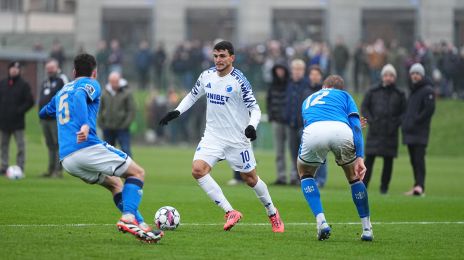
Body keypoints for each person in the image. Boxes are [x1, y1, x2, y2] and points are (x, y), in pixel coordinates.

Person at [159, 41, 284, 233]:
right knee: (198, 170)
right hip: (213, 136)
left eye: (223, 56)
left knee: (250, 179)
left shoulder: (239, 80)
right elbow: (193, 95)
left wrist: (251, 126)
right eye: (216, 56)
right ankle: (230, 212)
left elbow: (255, 109)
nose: (218, 60)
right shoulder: (206, 75)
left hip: (237, 140)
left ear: (232, 58)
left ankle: (272, 212)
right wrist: (177, 111)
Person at [39, 53, 163, 243]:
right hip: (86, 148)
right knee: (137, 173)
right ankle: (128, 218)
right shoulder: (90, 84)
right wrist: (83, 124)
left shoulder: (62, 91)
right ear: (94, 73)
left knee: (115, 184)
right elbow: (80, 95)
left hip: (67, 159)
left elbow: (43, 112)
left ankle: (141, 225)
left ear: (73, 72)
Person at [298, 75, 373, 241]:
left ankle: (321, 222)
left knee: (305, 172)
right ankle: (367, 229)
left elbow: (310, 125)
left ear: (324, 87)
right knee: (354, 177)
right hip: (341, 130)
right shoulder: (345, 96)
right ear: (341, 88)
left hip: (314, 131)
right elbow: (355, 126)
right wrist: (360, 157)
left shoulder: (308, 99)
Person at [361, 64, 406, 194]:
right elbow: (365, 107)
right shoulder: (372, 91)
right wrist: (371, 121)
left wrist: (396, 123)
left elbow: (404, 112)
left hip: (391, 133)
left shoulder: (400, 94)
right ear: (382, 76)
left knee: (388, 162)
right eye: (386, 75)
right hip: (374, 131)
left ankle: (384, 188)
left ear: (395, 77)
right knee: (368, 161)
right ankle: (363, 187)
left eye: (391, 75)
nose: (388, 78)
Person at [402, 63, 435, 196]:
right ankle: (417, 186)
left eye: (417, 74)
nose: (415, 76)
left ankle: (420, 186)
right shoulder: (412, 91)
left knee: (419, 159)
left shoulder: (428, 90)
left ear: (422, 75)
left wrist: (415, 120)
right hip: (410, 132)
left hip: (420, 132)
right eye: (413, 74)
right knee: (413, 160)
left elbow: (429, 110)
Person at [0, 61, 34, 174]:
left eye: (16, 69)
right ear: (9, 70)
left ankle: (20, 166)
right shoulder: (3, 83)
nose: (14, 70)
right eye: (12, 68)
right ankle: (4, 166)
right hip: (4, 121)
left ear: (19, 71)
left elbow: (30, 101)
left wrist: (19, 111)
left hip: (17, 122)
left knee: (20, 146)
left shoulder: (24, 85)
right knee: (3, 146)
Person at [38, 59, 66, 178]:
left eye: (52, 68)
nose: (49, 70)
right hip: (45, 119)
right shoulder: (45, 82)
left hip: (56, 118)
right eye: (48, 68)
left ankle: (58, 170)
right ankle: (50, 169)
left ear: (57, 67)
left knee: (57, 144)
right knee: (50, 144)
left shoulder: (61, 80)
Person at [98, 71, 136, 157]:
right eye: (112, 82)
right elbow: (100, 109)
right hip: (107, 127)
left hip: (122, 128)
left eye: (116, 81)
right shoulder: (104, 93)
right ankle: (109, 170)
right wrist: (102, 123)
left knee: (126, 150)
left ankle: (129, 170)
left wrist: (125, 124)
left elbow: (131, 110)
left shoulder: (126, 93)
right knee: (108, 152)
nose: (114, 84)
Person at [285, 59, 308, 185]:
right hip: (291, 123)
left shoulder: (307, 85)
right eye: (295, 69)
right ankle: (295, 175)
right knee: (293, 152)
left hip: (303, 125)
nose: (297, 72)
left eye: (300, 69)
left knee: (303, 152)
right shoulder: (289, 84)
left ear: (303, 71)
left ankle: (304, 177)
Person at [266, 64, 289, 185]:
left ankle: (296, 176)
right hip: (277, 121)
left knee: (294, 151)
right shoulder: (272, 85)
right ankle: (281, 176)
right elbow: (268, 101)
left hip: (289, 122)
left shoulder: (290, 85)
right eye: (278, 70)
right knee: (279, 152)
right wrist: (271, 116)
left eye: (282, 69)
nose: (280, 72)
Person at [307, 66, 329, 188]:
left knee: (321, 154)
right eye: (312, 74)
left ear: (321, 76)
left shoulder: (324, 92)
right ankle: (311, 178)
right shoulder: (305, 89)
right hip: (307, 127)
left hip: (321, 126)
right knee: (309, 154)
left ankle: (321, 179)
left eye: (317, 74)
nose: (314, 76)